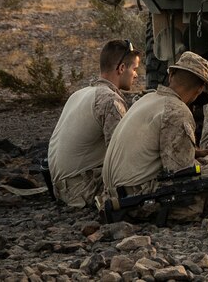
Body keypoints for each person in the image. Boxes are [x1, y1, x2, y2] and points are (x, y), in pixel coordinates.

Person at [102, 51, 208, 221]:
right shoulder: (177, 111)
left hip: (112, 194)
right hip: (135, 201)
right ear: (201, 89)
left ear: (170, 75)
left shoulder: (148, 98)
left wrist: (197, 153)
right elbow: (182, 173)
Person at [47, 38, 140, 207]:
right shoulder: (110, 101)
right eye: (134, 69)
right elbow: (122, 156)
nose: (136, 74)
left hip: (60, 188)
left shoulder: (79, 94)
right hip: (82, 190)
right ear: (121, 68)